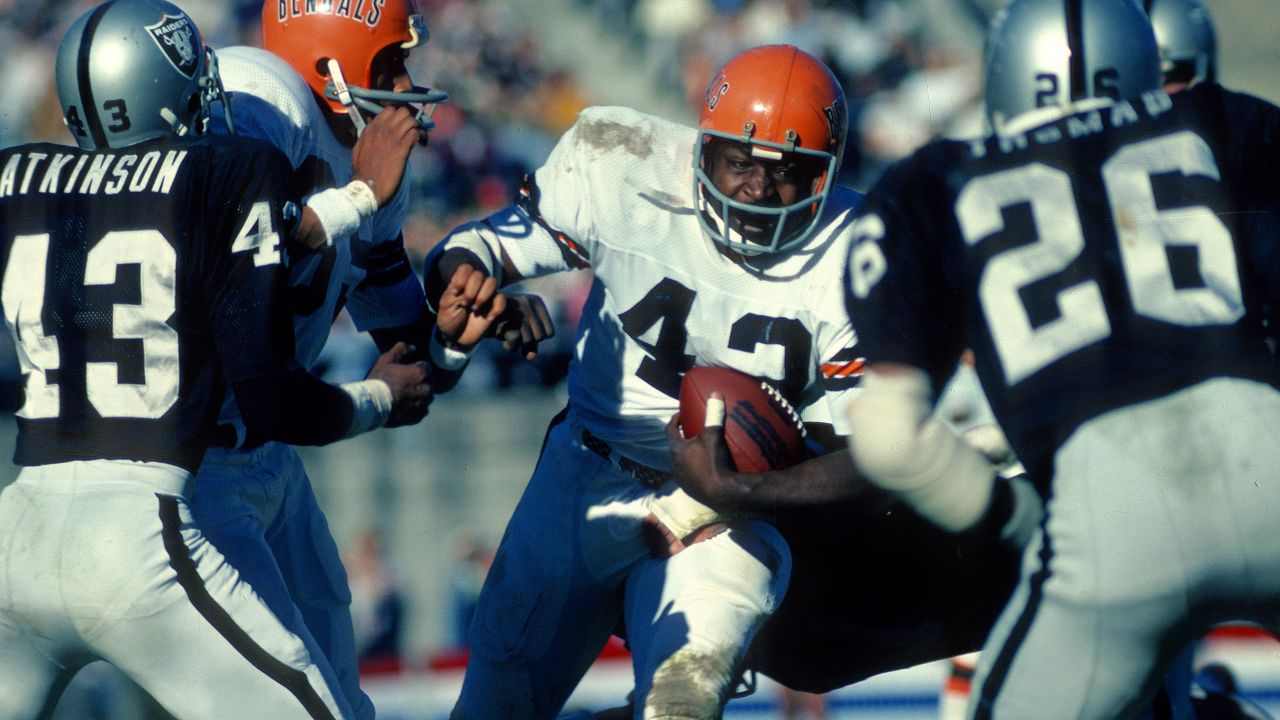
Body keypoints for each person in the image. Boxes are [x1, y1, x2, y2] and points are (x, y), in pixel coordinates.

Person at [840, 0, 1280, 717]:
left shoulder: (936, 182)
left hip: (1108, 518)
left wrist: (1016, 517)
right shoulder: (1227, 123)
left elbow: (889, 440)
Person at [0, 1, 440, 716]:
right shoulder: (231, 166)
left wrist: (358, 205)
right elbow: (271, 385)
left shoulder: (19, 176)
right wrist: (380, 397)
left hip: (16, 525)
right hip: (141, 527)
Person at [423, 44, 886, 719]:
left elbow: (877, 458)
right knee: (495, 705)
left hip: (731, 516)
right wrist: (471, 284)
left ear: (824, 176)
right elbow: (477, 248)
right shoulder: (623, 162)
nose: (757, 189)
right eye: (740, 161)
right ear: (702, 148)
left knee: (681, 705)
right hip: (588, 472)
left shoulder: (861, 254)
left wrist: (742, 490)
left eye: (786, 171)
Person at [189, 3, 503, 718]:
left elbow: (407, 368)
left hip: (267, 454)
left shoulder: (371, 165)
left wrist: (453, 341)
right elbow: (222, 246)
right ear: (330, 68)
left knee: (341, 694)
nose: (408, 82)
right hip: (189, 456)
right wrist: (356, 196)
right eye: (390, 62)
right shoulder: (256, 100)